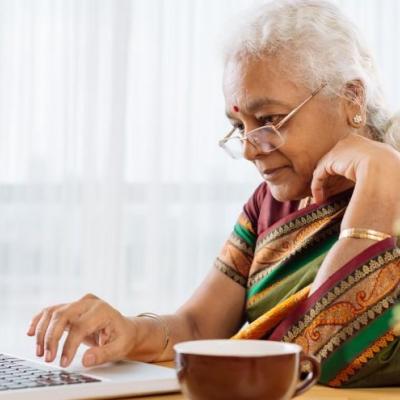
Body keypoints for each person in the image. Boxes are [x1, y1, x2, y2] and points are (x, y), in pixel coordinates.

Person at [27, 0, 400, 388]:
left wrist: (380, 177)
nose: (250, 150)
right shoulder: (271, 203)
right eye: (239, 126)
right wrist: (130, 331)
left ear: (352, 98)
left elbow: (324, 356)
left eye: (270, 120)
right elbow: (198, 324)